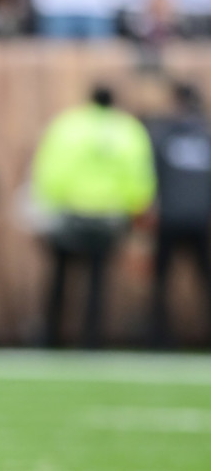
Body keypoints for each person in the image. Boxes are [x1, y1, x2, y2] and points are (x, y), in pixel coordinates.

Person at [31, 84, 156, 348]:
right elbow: (138, 174)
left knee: (60, 276)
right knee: (97, 280)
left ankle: (51, 337)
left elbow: (50, 167)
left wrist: (49, 202)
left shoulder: (68, 125)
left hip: (70, 211)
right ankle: (91, 339)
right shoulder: (127, 130)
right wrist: (138, 206)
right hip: (108, 215)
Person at [146, 81, 211, 347]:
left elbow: (151, 174)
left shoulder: (164, 135)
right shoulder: (205, 135)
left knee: (161, 281)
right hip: (199, 218)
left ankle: (158, 338)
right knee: (203, 279)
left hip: (170, 217)